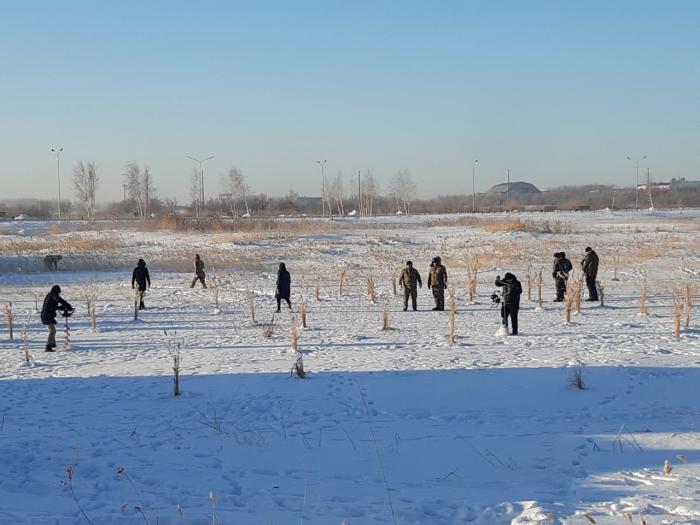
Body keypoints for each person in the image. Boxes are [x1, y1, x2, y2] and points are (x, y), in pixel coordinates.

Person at [40, 285, 73, 352]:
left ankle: (52, 344)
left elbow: (53, 307)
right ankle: (48, 347)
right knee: (52, 331)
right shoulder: (53, 295)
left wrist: (63, 307)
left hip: (47, 315)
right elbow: (60, 300)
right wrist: (67, 305)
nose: (58, 294)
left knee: (52, 331)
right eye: (58, 293)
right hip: (47, 316)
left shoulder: (50, 295)